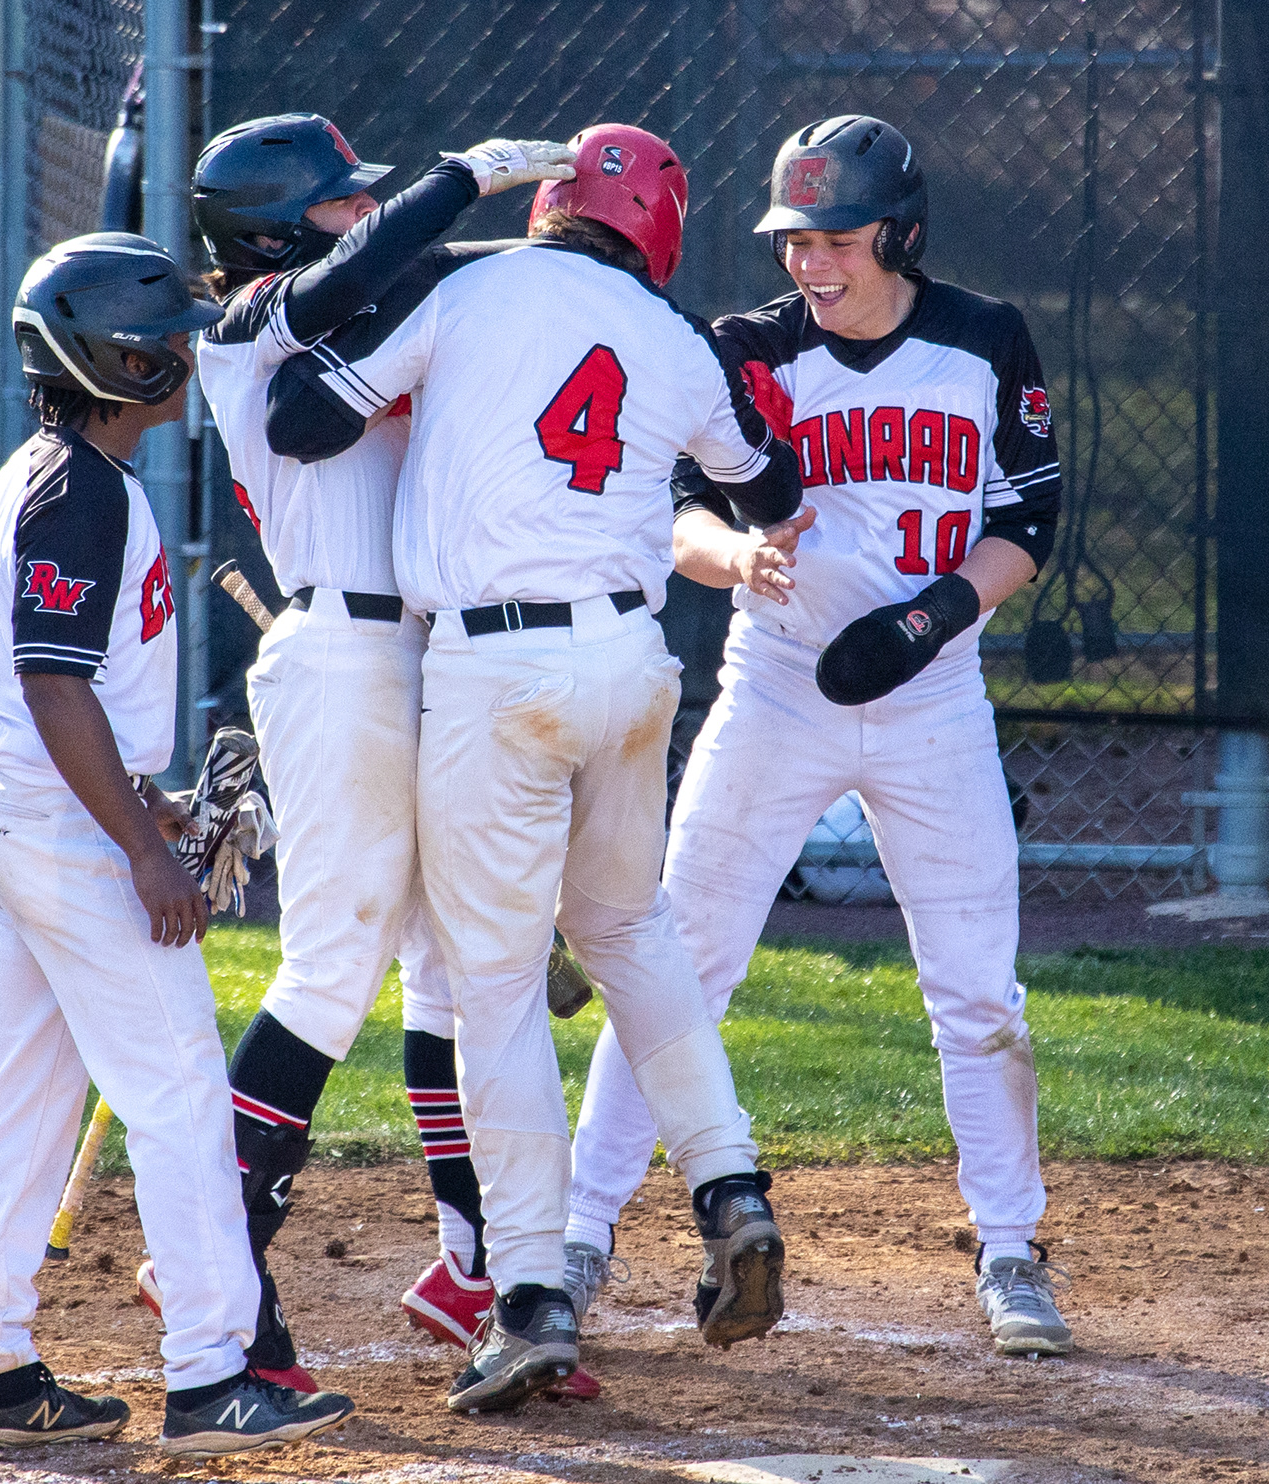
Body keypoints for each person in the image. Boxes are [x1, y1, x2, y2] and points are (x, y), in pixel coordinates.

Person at [267, 124, 803, 1413]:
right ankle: (730, 1186)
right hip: (630, 660)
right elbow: (772, 490)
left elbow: (301, 420)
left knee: (498, 984)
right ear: (659, 230)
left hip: (494, 668)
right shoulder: (678, 338)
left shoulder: (469, 286)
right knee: (629, 930)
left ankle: (526, 1296)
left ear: (551, 202)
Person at [561, 115, 1071, 1359]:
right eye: (795, 239)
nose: (810, 261)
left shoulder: (984, 338)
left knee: (978, 993)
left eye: (837, 238)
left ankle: (1011, 1247)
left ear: (900, 233)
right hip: (778, 687)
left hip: (935, 699)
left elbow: (1027, 522)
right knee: (675, 960)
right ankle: (576, 1235)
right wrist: (737, 554)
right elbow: (676, 511)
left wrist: (932, 616)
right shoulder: (748, 349)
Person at [152, 112, 603, 1399]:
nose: (363, 214)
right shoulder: (248, 327)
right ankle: (210, 1262)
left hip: (426, 652)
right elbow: (367, 265)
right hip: (343, 653)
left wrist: (564, 253)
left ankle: (474, 1267)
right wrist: (459, 178)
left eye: (365, 198)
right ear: (274, 234)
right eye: (339, 202)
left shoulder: (365, 313)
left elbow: (418, 270)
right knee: (333, 960)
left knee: (453, 965)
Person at [0, 231, 355, 1457]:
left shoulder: (53, 470)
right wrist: (141, 848)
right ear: (118, 361)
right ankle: (212, 1373)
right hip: (63, 835)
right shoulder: (84, 489)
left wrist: (148, 803)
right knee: (180, 1097)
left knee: (19, 1102)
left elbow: (57, 692)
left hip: (24, 809)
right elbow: (52, 680)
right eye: (167, 339)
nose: (184, 353)